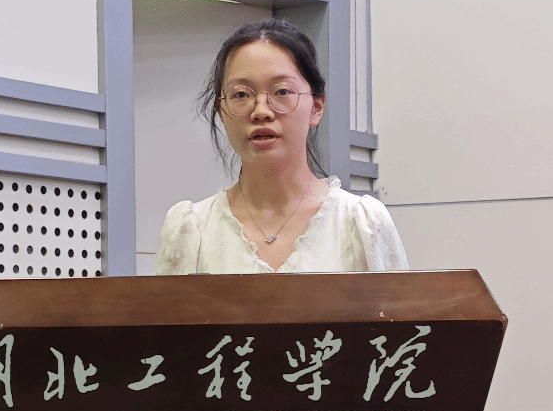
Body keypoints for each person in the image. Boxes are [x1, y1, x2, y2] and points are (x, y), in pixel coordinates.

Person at [155, 18, 408, 275]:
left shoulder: (360, 224)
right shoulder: (191, 229)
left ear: (316, 107)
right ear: (221, 110)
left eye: (282, 92)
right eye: (241, 94)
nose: (261, 111)